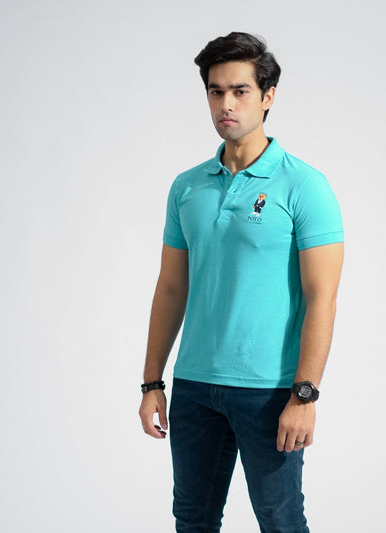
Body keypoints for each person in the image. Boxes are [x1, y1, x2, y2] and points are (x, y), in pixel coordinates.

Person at [139, 31, 344, 533]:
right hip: (194, 386)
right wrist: (152, 382)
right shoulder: (187, 187)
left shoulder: (304, 185)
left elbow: (322, 298)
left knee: (280, 520)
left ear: (268, 96)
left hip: (269, 391)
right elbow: (170, 289)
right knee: (192, 519)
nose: (226, 104)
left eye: (240, 91)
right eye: (216, 91)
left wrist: (305, 395)